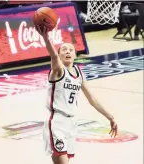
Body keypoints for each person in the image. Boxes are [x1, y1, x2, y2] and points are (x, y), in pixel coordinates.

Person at [36, 26, 118, 164]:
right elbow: (53, 56)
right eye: (64, 49)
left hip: (72, 123)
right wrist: (46, 38)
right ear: (60, 55)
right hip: (57, 122)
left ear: (75, 54)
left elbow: (92, 99)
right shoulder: (58, 71)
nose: (67, 51)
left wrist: (110, 117)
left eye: (70, 49)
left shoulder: (79, 73)